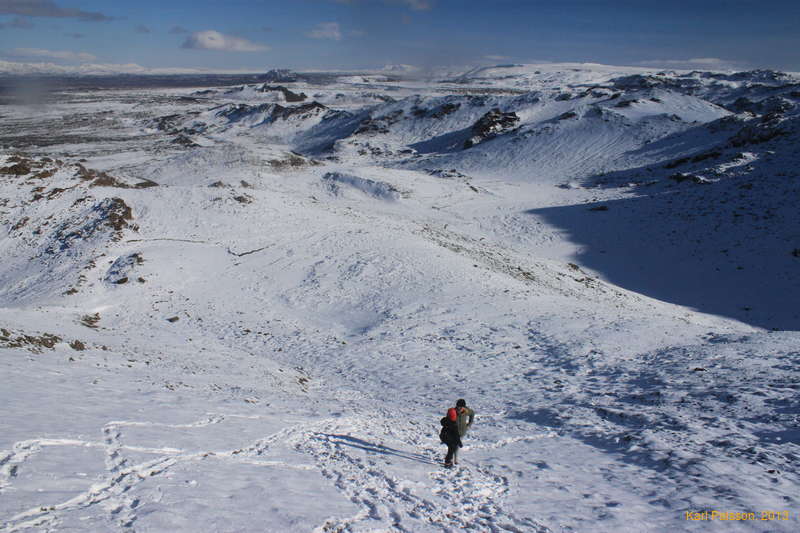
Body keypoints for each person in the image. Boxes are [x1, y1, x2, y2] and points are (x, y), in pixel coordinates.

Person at [454, 399, 475, 464]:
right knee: (454, 445)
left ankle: (454, 460)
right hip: (454, 432)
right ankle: (454, 459)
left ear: (463, 407)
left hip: (462, 431)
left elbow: (472, 413)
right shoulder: (453, 412)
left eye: (461, 407)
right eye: (458, 406)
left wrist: (469, 424)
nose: (459, 408)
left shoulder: (467, 411)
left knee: (456, 446)